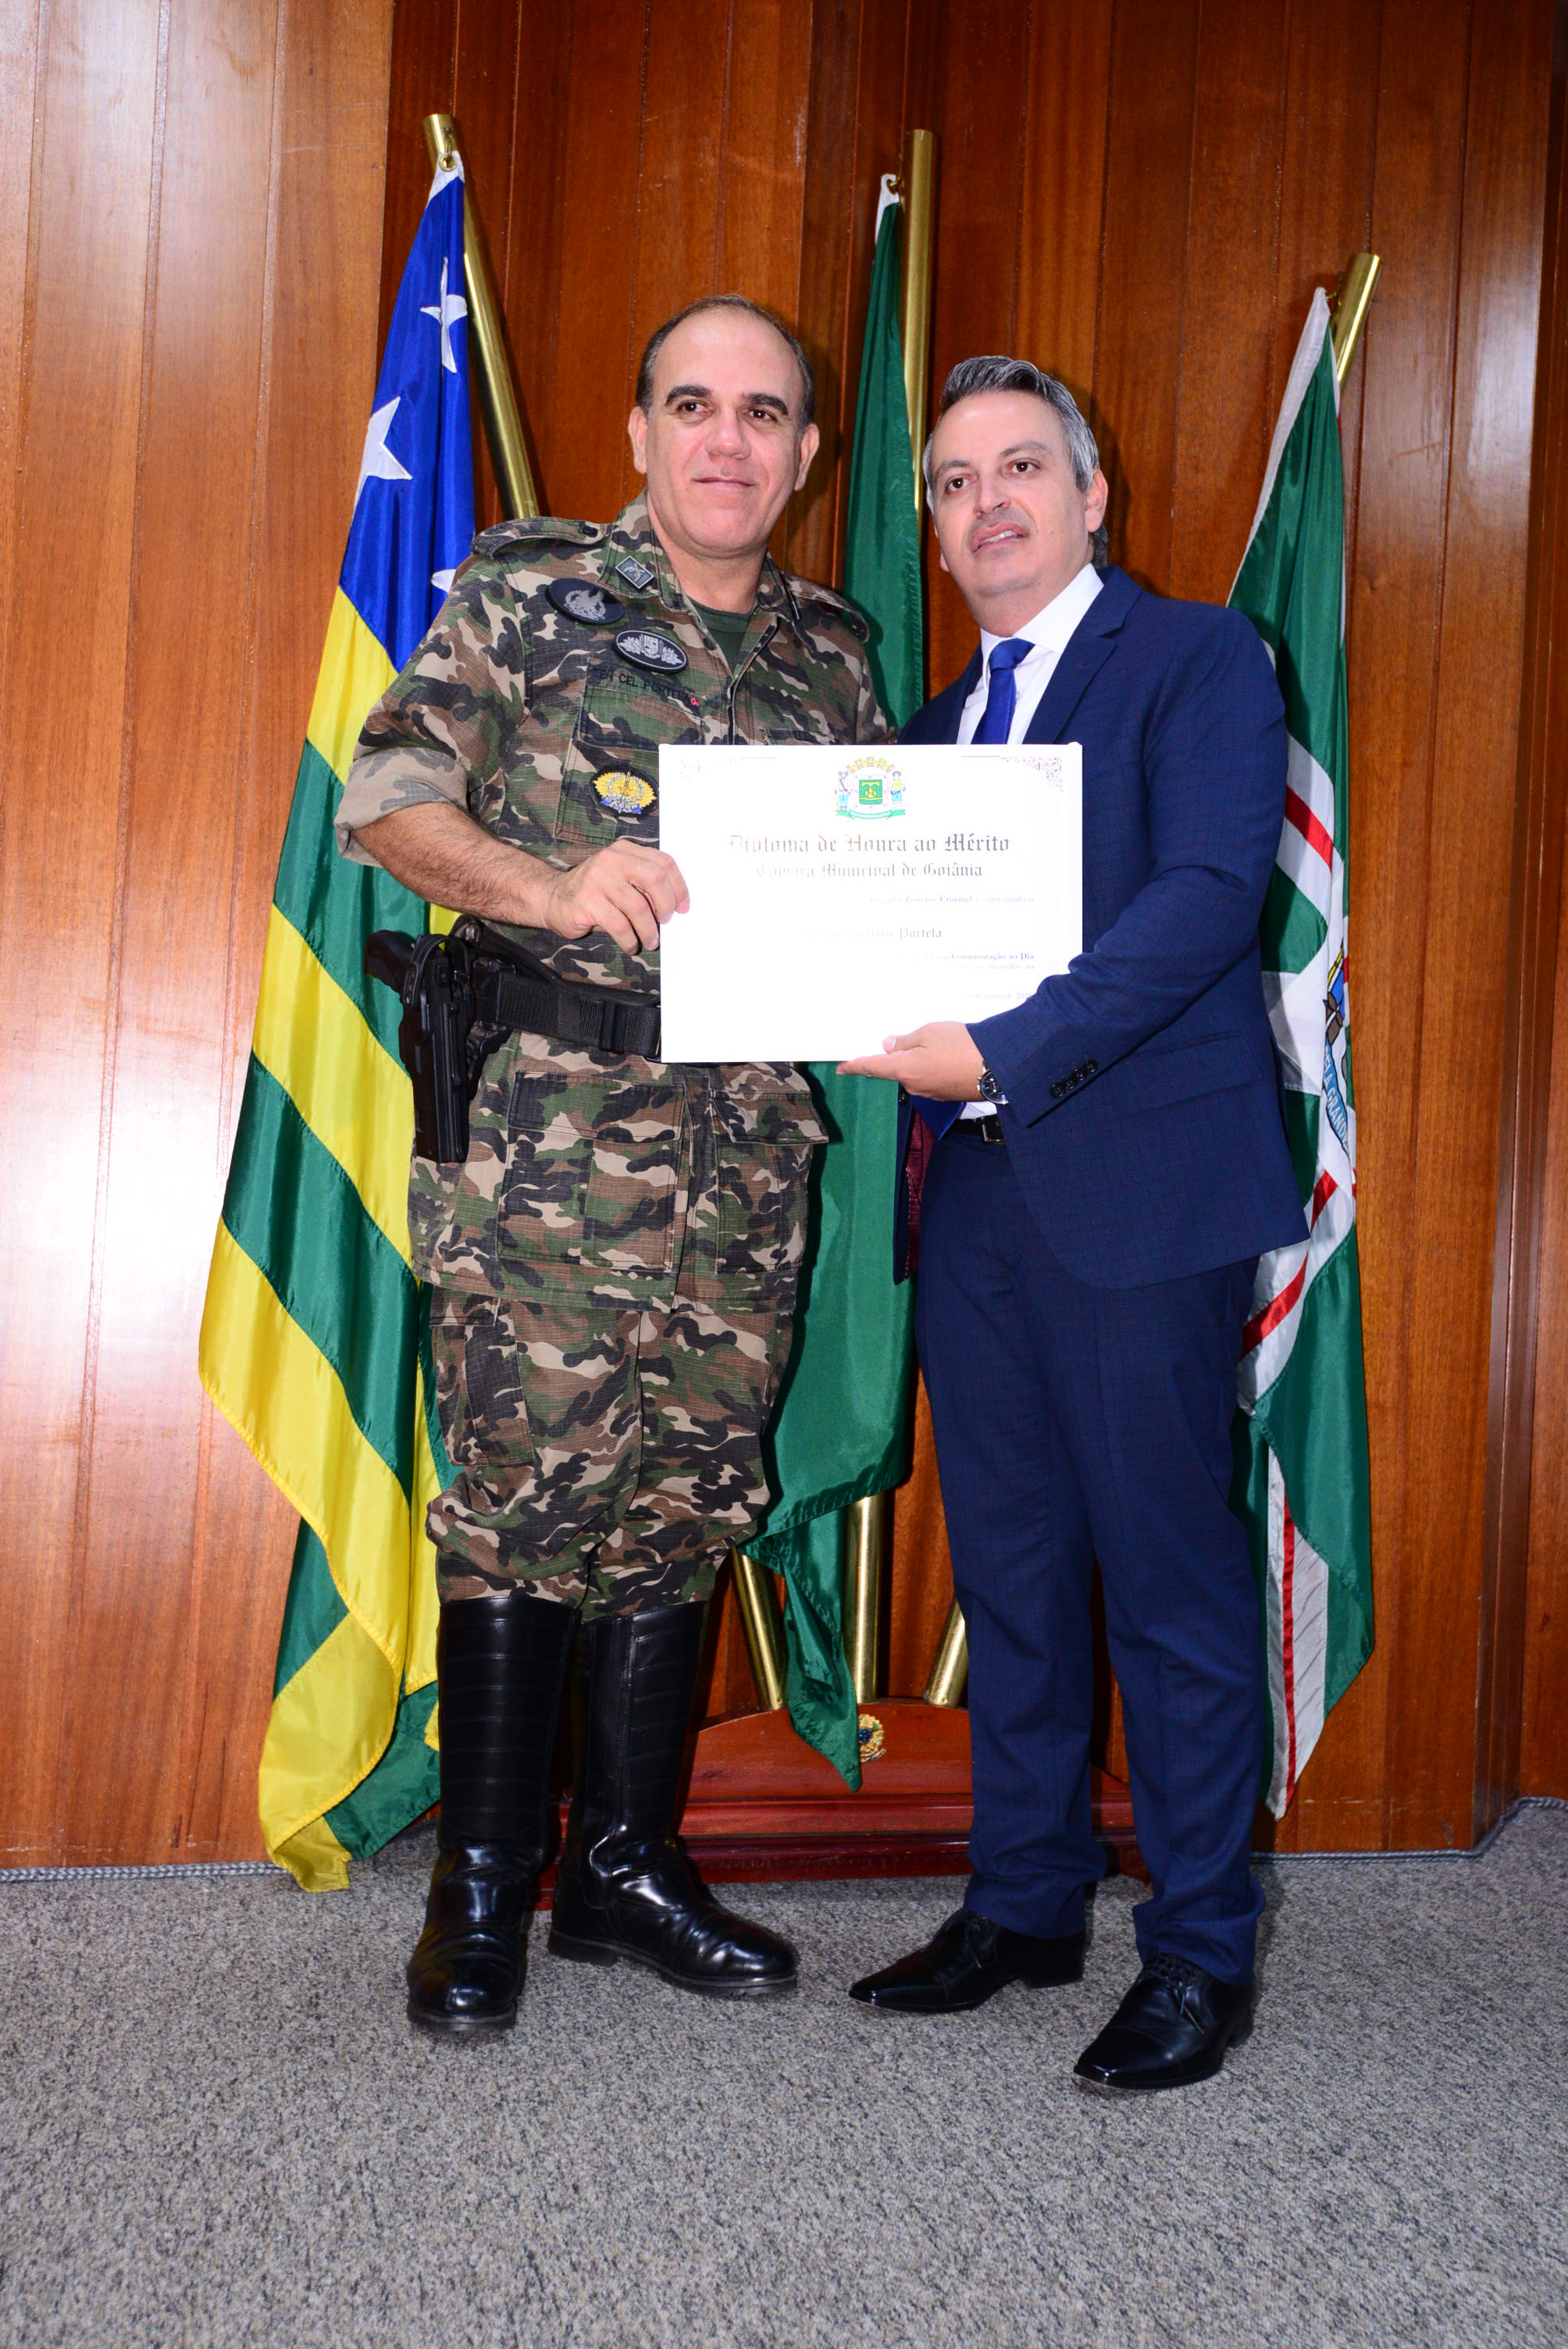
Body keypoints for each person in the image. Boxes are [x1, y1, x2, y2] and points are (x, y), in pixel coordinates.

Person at [337, 294, 889, 2036]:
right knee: (521, 1499)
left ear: (804, 456)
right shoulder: (530, 590)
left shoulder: (833, 653)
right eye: (692, 405)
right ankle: (480, 1889)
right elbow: (385, 801)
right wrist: (550, 885)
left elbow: (880, 886)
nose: (728, 439)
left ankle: (624, 1871)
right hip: (550, 1147)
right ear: (641, 432)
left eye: (763, 414)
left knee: (687, 1496)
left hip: (745, 1150)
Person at [840, 356, 1306, 2092]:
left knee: (1168, 1578)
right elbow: (866, 943)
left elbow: (1204, 900)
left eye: (1021, 468)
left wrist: (1004, 1048)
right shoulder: (926, 735)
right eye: (955, 482)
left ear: (1092, 495)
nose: (988, 505)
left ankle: (1198, 1948)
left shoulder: (1197, 658)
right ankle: (1026, 1898)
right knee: (1016, 1574)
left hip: (1140, 1191)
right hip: (971, 1192)